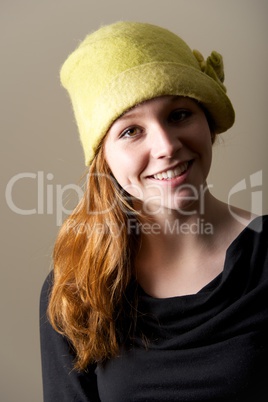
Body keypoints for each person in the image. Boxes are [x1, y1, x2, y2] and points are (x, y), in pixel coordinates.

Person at [39, 21, 268, 402]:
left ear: (207, 122)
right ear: (104, 158)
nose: (166, 145)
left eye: (179, 114)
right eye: (131, 131)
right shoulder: (76, 289)